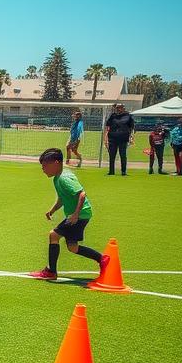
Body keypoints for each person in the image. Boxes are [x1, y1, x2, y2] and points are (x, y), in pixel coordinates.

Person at [29, 148, 107, 280]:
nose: (43, 169)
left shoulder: (64, 178)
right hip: (81, 214)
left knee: (53, 235)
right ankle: (102, 259)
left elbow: (81, 194)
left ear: (56, 163)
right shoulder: (58, 178)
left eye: (45, 166)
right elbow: (62, 198)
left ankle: (51, 272)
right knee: (73, 247)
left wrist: (76, 214)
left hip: (79, 215)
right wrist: (52, 210)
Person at [103, 103, 135, 175]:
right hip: (113, 139)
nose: (118, 109)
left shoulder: (128, 116)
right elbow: (107, 126)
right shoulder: (113, 116)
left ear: (123, 108)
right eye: (117, 108)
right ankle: (111, 172)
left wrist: (131, 137)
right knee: (112, 155)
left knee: (123, 155)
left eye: (120, 107)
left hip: (123, 139)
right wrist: (106, 138)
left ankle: (123, 172)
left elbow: (132, 127)